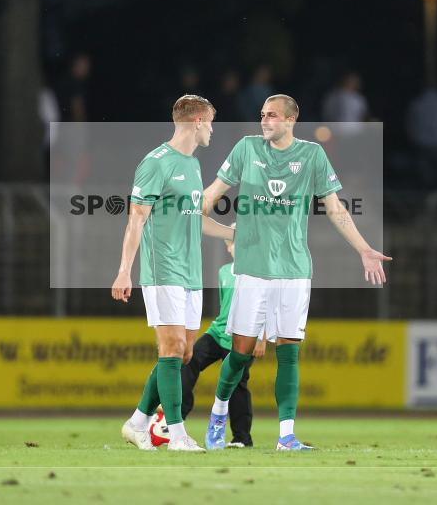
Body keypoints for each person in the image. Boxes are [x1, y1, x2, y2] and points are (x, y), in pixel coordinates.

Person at [202, 94, 390, 451]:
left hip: (294, 270)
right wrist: (195, 209)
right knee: (240, 353)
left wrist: (364, 249)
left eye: (272, 115)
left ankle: (286, 435)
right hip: (252, 268)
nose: (265, 120)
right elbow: (212, 194)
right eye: (262, 114)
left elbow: (335, 209)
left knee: (288, 352)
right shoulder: (246, 149)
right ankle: (218, 414)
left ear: (291, 120)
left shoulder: (312, 155)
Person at [111, 94, 234, 453]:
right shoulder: (156, 163)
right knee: (172, 347)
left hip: (191, 272)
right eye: (210, 122)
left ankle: (137, 422)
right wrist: (124, 271)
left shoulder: (193, 165)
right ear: (197, 122)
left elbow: (197, 221)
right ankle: (177, 435)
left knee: (184, 354)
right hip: (163, 269)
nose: (212, 130)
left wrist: (236, 234)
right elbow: (136, 219)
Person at [180, 224, 266, 448]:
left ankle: (242, 438)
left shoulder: (260, 273)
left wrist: (262, 338)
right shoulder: (224, 272)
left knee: (237, 384)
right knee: (188, 360)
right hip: (218, 333)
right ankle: (176, 420)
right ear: (229, 248)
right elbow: (225, 307)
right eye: (235, 242)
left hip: (244, 337)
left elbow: (267, 306)